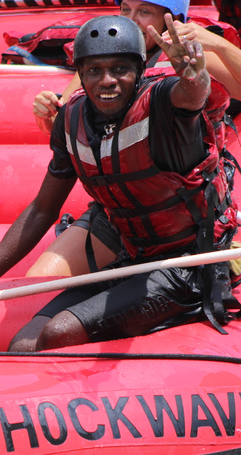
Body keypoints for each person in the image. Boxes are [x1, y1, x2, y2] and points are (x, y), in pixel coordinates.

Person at [0, 15, 238, 352]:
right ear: (81, 74)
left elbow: (191, 96)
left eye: (119, 69)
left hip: (190, 266)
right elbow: (42, 210)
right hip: (135, 258)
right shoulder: (71, 119)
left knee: (58, 333)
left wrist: (194, 74)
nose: (107, 81)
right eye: (94, 70)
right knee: (23, 343)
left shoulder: (163, 104)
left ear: (139, 71)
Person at [29, 0, 241, 277]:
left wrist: (220, 44)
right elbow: (61, 127)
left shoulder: (196, 54)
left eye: (144, 11)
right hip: (121, 213)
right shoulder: (108, 58)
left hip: (185, 214)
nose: (131, 19)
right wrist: (45, 113)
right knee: (39, 282)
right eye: (125, 10)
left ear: (172, 18)